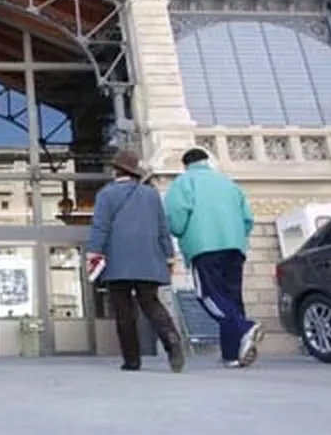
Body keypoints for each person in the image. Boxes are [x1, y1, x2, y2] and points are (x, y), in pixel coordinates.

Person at [86, 150, 185, 373]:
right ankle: (172, 341)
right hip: (148, 259)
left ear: (115, 171)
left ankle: (132, 360)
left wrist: (93, 253)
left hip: (117, 261)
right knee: (151, 303)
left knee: (123, 312)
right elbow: (162, 228)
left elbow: (100, 227)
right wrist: (169, 256)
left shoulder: (106, 194)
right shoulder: (151, 194)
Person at [165, 147, 263, 369]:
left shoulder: (184, 182)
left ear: (185, 165)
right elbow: (248, 219)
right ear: (207, 161)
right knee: (232, 298)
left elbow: (176, 219)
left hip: (204, 246)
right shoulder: (229, 184)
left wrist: (179, 233)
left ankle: (244, 327)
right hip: (235, 246)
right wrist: (236, 235)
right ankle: (233, 353)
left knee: (208, 296)